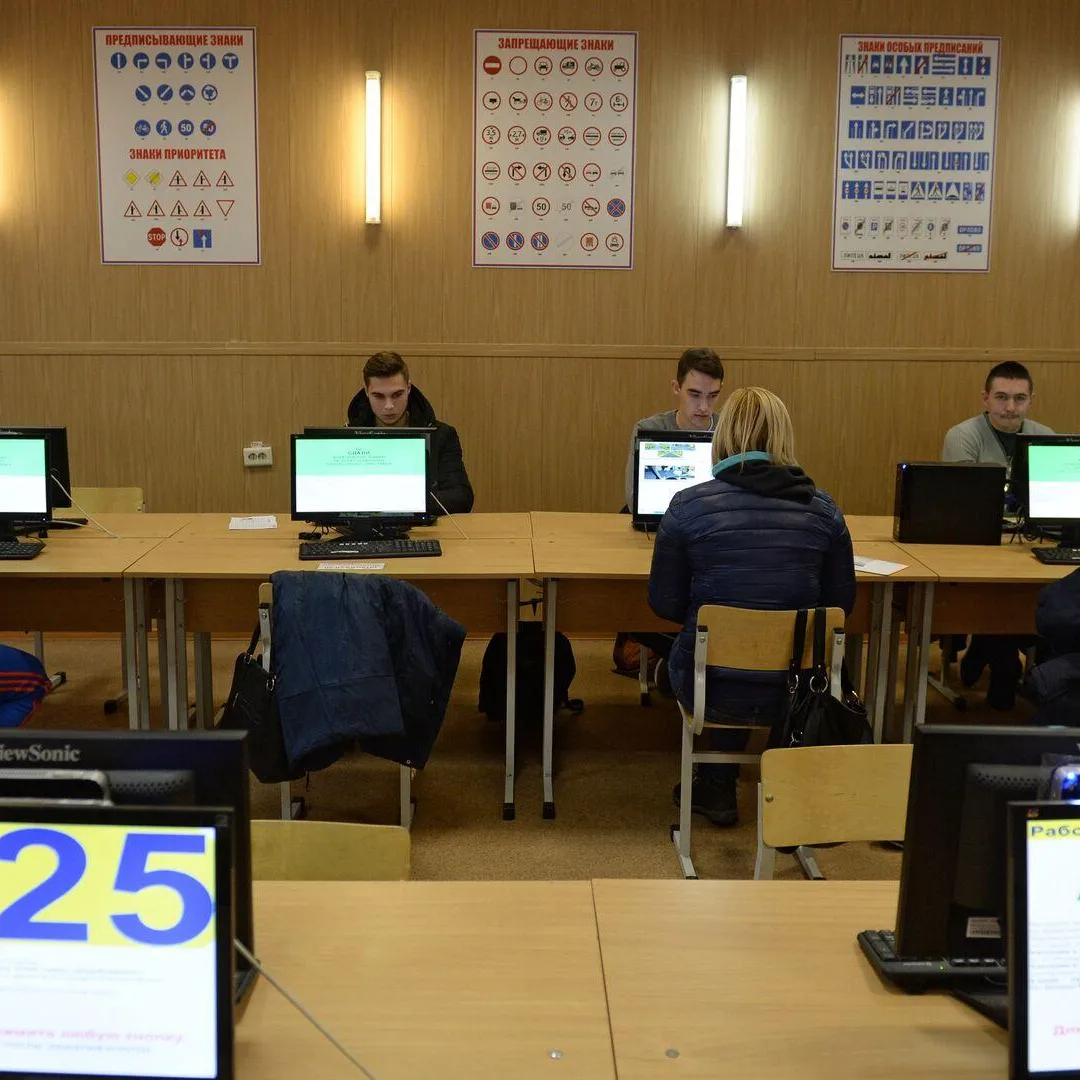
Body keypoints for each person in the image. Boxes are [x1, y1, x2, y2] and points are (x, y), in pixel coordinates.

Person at [648, 387, 856, 826]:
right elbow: (841, 607)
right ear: (783, 436)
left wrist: (723, 616)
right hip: (799, 687)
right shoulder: (824, 510)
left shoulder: (686, 505)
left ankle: (717, 785)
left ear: (722, 436)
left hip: (711, 686)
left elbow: (663, 603)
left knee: (711, 652)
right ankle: (786, 789)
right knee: (777, 651)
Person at [942, 361, 1053, 709]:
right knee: (997, 591)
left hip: (1027, 545)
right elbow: (964, 501)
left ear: (1031, 400)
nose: (1010, 407)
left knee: (1036, 594)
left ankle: (990, 649)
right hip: (976, 544)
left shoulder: (1045, 437)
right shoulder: (963, 436)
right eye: (1002, 397)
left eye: (1019, 398)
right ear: (986, 398)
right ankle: (1003, 662)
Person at [347, 351, 474, 516]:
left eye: (397, 395)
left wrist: (397, 503)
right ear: (366, 392)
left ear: (408, 388)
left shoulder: (441, 435)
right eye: (378, 396)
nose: (389, 406)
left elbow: (461, 498)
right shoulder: (348, 437)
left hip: (423, 528)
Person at [623, 347, 725, 511]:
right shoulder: (649, 429)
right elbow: (634, 500)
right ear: (676, 387)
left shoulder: (729, 432)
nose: (704, 407)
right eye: (695, 395)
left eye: (712, 396)